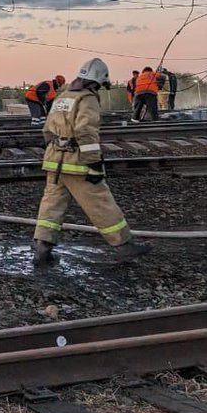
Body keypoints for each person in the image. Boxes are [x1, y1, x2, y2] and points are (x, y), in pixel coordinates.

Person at [32, 59, 150, 266]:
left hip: (54, 161)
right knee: (100, 201)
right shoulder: (87, 99)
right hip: (76, 162)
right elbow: (86, 131)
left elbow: (47, 130)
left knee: (51, 205)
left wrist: (55, 150)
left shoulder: (62, 97)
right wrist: (94, 163)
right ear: (95, 82)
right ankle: (124, 246)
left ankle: (42, 249)